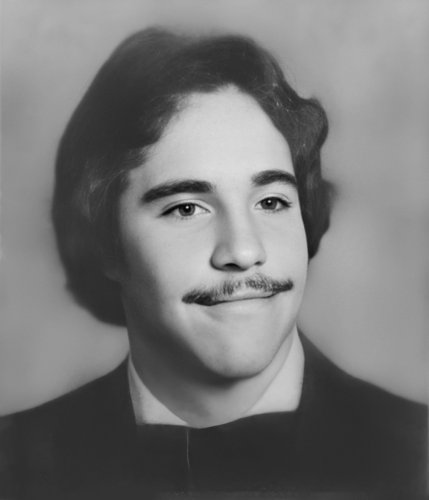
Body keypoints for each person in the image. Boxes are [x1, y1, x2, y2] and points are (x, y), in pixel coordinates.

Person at [2, 27, 427, 499]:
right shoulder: (14, 467)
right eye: (186, 208)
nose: (243, 251)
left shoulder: (418, 458)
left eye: (271, 202)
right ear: (106, 244)